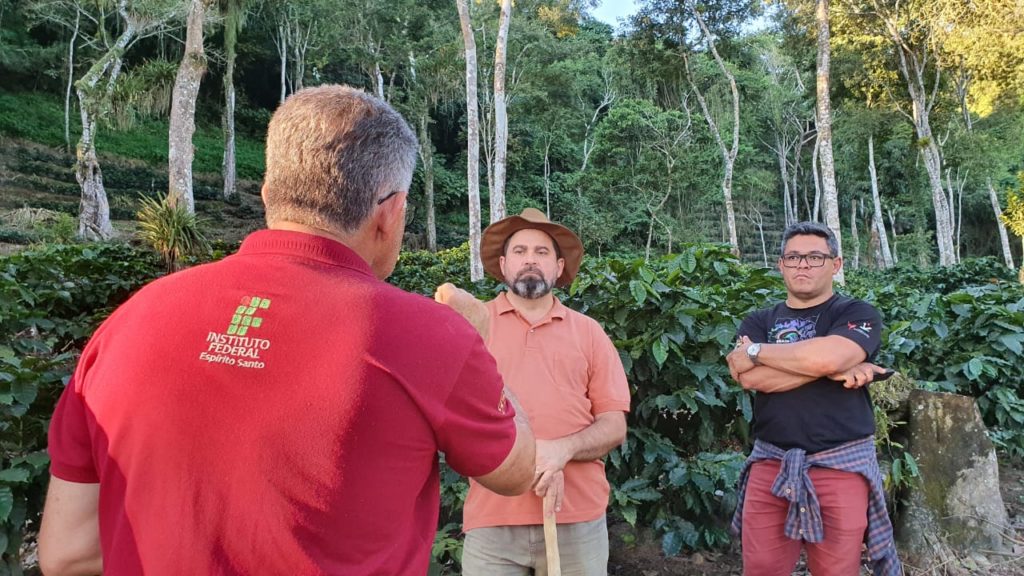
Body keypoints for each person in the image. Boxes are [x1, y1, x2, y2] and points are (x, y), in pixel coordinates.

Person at [38, 85, 536, 575]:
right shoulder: (430, 336)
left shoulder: (132, 319)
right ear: (391, 213)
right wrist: (479, 345)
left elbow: (67, 553)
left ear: (268, 194)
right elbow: (514, 471)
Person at [435, 208, 630, 576]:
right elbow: (450, 418)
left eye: (542, 252)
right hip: (492, 521)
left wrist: (562, 450)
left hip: (576, 519)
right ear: (504, 264)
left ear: (558, 266)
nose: (530, 260)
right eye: (520, 251)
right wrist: (522, 461)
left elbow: (614, 425)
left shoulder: (589, 332)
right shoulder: (473, 327)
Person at [725, 221, 902, 576]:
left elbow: (827, 358)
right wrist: (832, 368)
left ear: (836, 265)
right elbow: (748, 377)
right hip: (770, 461)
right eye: (793, 257)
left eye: (815, 257)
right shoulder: (759, 319)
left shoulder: (856, 314)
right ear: (781, 265)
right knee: (761, 567)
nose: (802, 264)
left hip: (840, 465)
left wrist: (757, 352)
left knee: (837, 569)